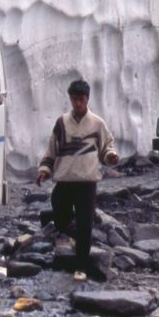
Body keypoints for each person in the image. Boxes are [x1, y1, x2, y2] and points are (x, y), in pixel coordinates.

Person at [36, 79, 119, 280]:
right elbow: (52, 149)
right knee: (59, 211)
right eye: (74, 99)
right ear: (70, 99)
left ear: (87, 99)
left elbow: (107, 147)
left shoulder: (97, 123)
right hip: (64, 180)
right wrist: (45, 169)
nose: (78, 103)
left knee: (85, 222)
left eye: (81, 99)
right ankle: (77, 237)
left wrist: (111, 156)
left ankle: (81, 266)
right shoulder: (62, 122)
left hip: (87, 182)